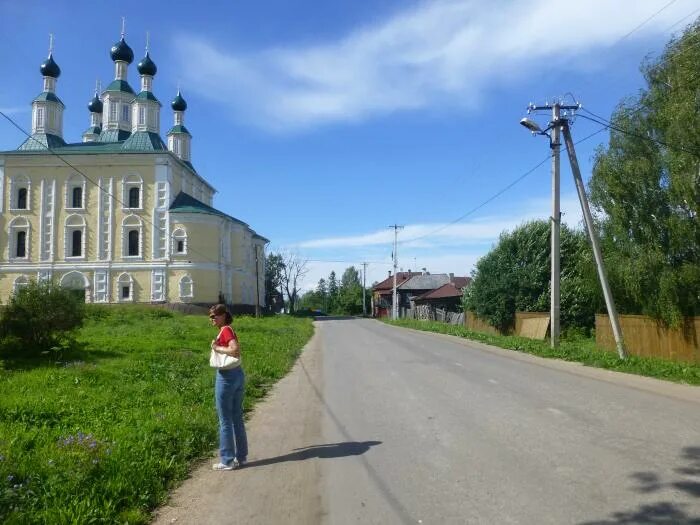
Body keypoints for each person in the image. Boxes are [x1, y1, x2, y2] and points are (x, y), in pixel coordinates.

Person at [209, 304, 248, 471]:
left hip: (226, 377)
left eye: (215, 316)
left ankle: (227, 460)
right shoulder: (227, 329)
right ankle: (241, 456)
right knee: (237, 417)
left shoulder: (225, 330)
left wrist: (216, 347)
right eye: (211, 316)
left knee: (225, 420)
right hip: (237, 374)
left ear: (224, 315)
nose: (212, 319)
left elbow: (235, 350)